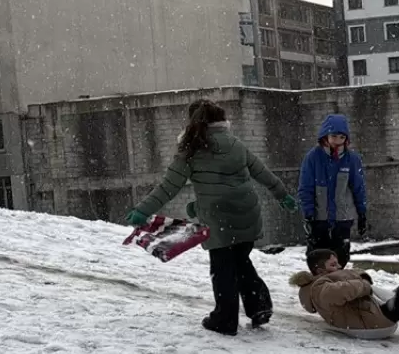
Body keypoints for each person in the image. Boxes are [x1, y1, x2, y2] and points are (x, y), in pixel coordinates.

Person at [126, 99, 297, 336]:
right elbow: (263, 174)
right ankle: (259, 306)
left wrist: (143, 211)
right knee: (240, 261)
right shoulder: (236, 144)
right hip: (246, 213)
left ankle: (225, 320)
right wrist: (283, 195)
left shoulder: (192, 150)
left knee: (223, 269)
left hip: (219, 220)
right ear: (221, 121)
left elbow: (168, 186)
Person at [299, 113, 368, 269]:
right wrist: (308, 214)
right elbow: (306, 188)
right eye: (334, 136)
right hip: (319, 218)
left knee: (340, 259)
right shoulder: (313, 158)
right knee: (318, 260)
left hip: (342, 219)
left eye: (341, 137)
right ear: (326, 135)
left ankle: (336, 290)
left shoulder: (352, 159)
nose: (337, 141)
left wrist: (362, 212)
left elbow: (358, 187)